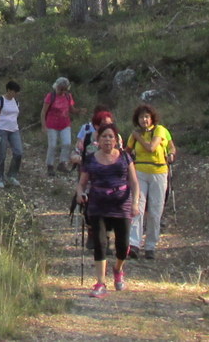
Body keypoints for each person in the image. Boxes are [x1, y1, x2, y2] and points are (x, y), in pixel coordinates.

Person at [75, 123, 140, 298]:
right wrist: (80, 194)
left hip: (122, 204)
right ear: (98, 139)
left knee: (123, 245)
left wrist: (135, 203)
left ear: (117, 139)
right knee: (100, 243)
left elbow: (134, 182)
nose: (107, 140)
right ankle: (100, 282)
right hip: (98, 204)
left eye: (111, 136)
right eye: (104, 136)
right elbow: (82, 183)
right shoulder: (90, 159)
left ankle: (118, 269)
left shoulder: (125, 157)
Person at [126, 104, 177, 259]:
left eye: (147, 117)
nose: (144, 120)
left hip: (159, 172)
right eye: (141, 117)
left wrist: (171, 154)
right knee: (137, 208)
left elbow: (153, 147)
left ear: (152, 118)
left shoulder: (160, 130)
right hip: (140, 171)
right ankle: (134, 244)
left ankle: (150, 246)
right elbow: (127, 151)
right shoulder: (134, 135)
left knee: (155, 210)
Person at [41, 77, 77, 176]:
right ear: (56, 87)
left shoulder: (68, 96)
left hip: (65, 124)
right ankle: (50, 166)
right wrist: (43, 125)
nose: (62, 91)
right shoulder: (50, 96)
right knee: (52, 145)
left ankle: (62, 163)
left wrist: (79, 111)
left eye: (64, 89)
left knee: (67, 143)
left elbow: (71, 109)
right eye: (60, 88)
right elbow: (43, 112)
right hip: (51, 124)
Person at [0, 80, 23, 189]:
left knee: (18, 152)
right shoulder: (0, 101)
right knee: (2, 155)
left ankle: (12, 175)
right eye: (14, 91)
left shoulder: (16, 102)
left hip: (14, 130)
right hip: (1, 129)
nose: (15, 94)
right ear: (9, 90)